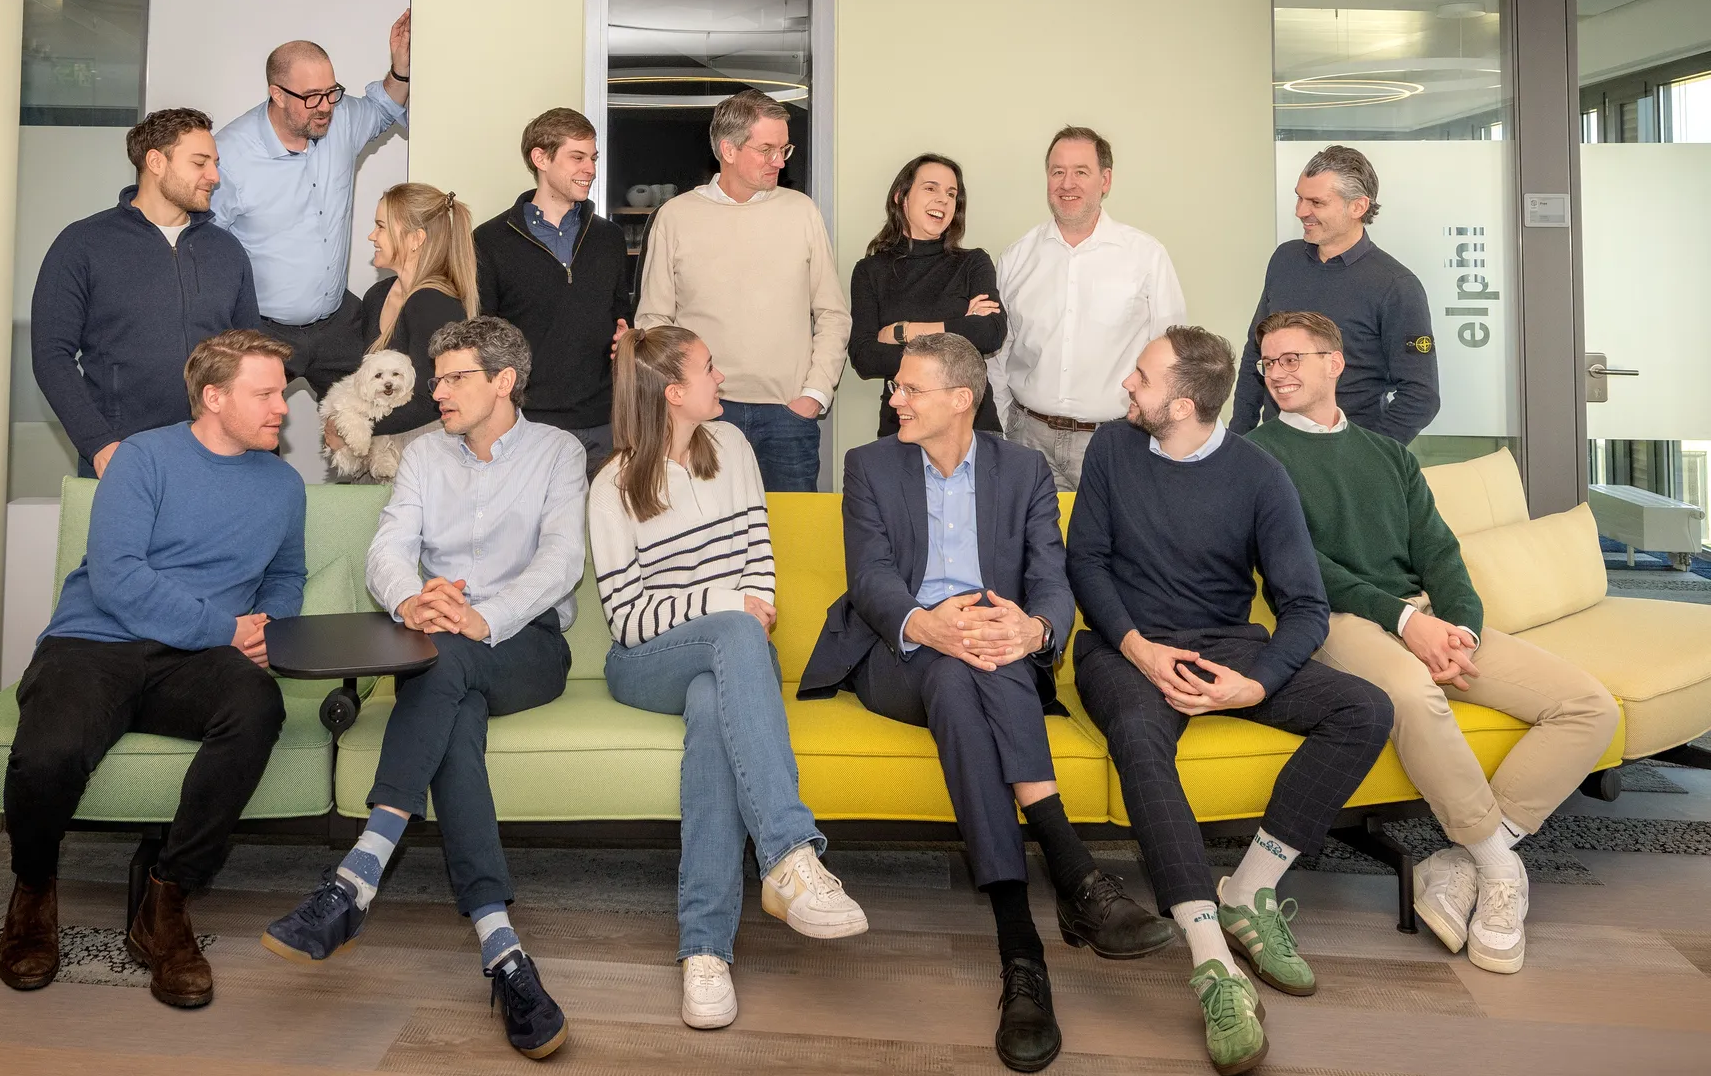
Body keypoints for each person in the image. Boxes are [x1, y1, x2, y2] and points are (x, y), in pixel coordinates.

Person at [800, 332, 1174, 1073]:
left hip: (994, 652)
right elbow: (872, 579)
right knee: (952, 664)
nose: (893, 398)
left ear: (960, 400)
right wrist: (928, 625)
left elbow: (1050, 576)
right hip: (899, 653)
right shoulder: (869, 465)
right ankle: (1073, 873)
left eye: (909, 388)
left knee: (984, 660)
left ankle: (1021, 955)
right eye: (896, 388)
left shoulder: (1024, 469)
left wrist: (1033, 627)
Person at [1245, 310, 1616, 975]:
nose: (1279, 374)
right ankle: (1500, 868)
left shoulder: (1387, 454)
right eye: (1269, 363)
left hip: (1425, 619)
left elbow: (1440, 553)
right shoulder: (1257, 456)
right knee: (1412, 694)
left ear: (1335, 363)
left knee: (1590, 706)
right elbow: (1302, 567)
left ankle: (1460, 860)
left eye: (1293, 358)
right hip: (1336, 620)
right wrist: (1404, 621)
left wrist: (1461, 628)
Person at [1066, 324, 1394, 1076]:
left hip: (1228, 649)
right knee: (1141, 742)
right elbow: (1084, 559)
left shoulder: (1258, 474)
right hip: (1127, 648)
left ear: (1182, 404)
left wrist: (1258, 682)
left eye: (1142, 378)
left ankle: (1253, 887)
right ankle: (1215, 963)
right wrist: (1139, 648)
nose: (1128, 386)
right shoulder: (1113, 450)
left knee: (1366, 709)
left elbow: (1305, 606)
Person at [262, 317, 583, 1061]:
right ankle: (503, 951)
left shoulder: (558, 452)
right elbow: (388, 547)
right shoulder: (421, 458)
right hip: (436, 643)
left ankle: (356, 877)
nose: (435, 392)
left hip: (524, 643)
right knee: (451, 713)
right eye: (435, 378)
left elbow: (562, 560)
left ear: (503, 382)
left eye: (454, 377)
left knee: (442, 666)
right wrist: (410, 601)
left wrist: (483, 615)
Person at [0, 330, 303, 1009]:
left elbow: (286, 576)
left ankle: (166, 900)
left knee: (256, 707)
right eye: (266, 393)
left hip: (195, 661)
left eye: (282, 392)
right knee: (48, 755)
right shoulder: (143, 459)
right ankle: (33, 890)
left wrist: (266, 628)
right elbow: (117, 578)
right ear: (214, 396)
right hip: (94, 640)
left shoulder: (283, 485)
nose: (282, 407)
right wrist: (225, 627)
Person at [590, 324, 868, 1031]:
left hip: (732, 657)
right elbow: (626, 619)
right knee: (733, 634)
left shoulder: (735, 450)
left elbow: (758, 556)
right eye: (710, 369)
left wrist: (754, 607)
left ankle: (704, 951)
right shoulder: (613, 485)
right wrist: (730, 609)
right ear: (674, 393)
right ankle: (790, 856)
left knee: (717, 707)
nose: (723, 377)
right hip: (646, 662)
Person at [636, 89, 849, 492]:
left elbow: (833, 314)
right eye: (766, 149)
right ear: (728, 150)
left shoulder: (801, 211)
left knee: (792, 547)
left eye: (784, 148)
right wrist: (678, 401)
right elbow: (653, 323)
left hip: (789, 417)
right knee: (704, 544)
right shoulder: (676, 217)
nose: (779, 161)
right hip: (701, 419)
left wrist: (814, 395)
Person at [32, 108, 260, 478]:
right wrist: (99, 444)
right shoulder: (83, 244)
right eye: (200, 162)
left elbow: (251, 355)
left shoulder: (227, 251)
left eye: (215, 164)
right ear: (155, 161)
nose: (214, 177)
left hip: (217, 456)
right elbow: (50, 357)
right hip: (123, 456)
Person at [212, 13, 411, 397]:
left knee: (377, 420)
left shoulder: (340, 119)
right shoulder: (229, 156)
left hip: (337, 323)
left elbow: (384, 108)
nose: (325, 107)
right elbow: (203, 246)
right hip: (262, 331)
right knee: (247, 437)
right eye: (312, 98)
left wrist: (400, 70)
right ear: (277, 94)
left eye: (331, 92)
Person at [990, 126, 1185, 492]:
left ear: (1105, 180)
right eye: (1057, 171)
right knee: (1029, 549)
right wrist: (1007, 422)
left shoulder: (1145, 256)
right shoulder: (1016, 258)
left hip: (1113, 442)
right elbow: (998, 353)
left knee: (1113, 549)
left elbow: (1170, 355)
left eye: (1081, 171)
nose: (1068, 184)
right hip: (1026, 441)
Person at [1230, 146, 1437, 444]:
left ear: (1358, 207)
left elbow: (1421, 396)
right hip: (1276, 450)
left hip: (1349, 453)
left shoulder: (1396, 286)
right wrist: (1240, 438)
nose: (1301, 211)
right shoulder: (1284, 260)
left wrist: (1365, 456)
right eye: (1299, 197)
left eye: (1316, 202)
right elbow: (1256, 352)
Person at [476, 107, 632, 477]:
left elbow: (622, 312)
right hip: (527, 425)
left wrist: (627, 336)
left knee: (600, 532)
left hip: (603, 424)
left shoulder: (609, 238)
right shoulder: (489, 241)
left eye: (592, 158)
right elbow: (482, 339)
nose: (590, 168)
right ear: (540, 158)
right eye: (577, 157)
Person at [849, 153, 1004, 438]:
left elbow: (990, 333)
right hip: (901, 426)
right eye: (930, 188)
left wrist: (904, 331)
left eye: (951, 193)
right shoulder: (870, 271)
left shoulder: (973, 263)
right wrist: (959, 332)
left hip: (972, 427)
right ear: (901, 197)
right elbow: (865, 356)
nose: (943, 199)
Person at [321, 182, 474, 454]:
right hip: (379, 449)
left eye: (381, 226)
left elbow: (432, 399)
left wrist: (351, 428)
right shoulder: (377, 295)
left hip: (424, 453)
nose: (372, 236)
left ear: (416, 238)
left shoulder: (433, 303)